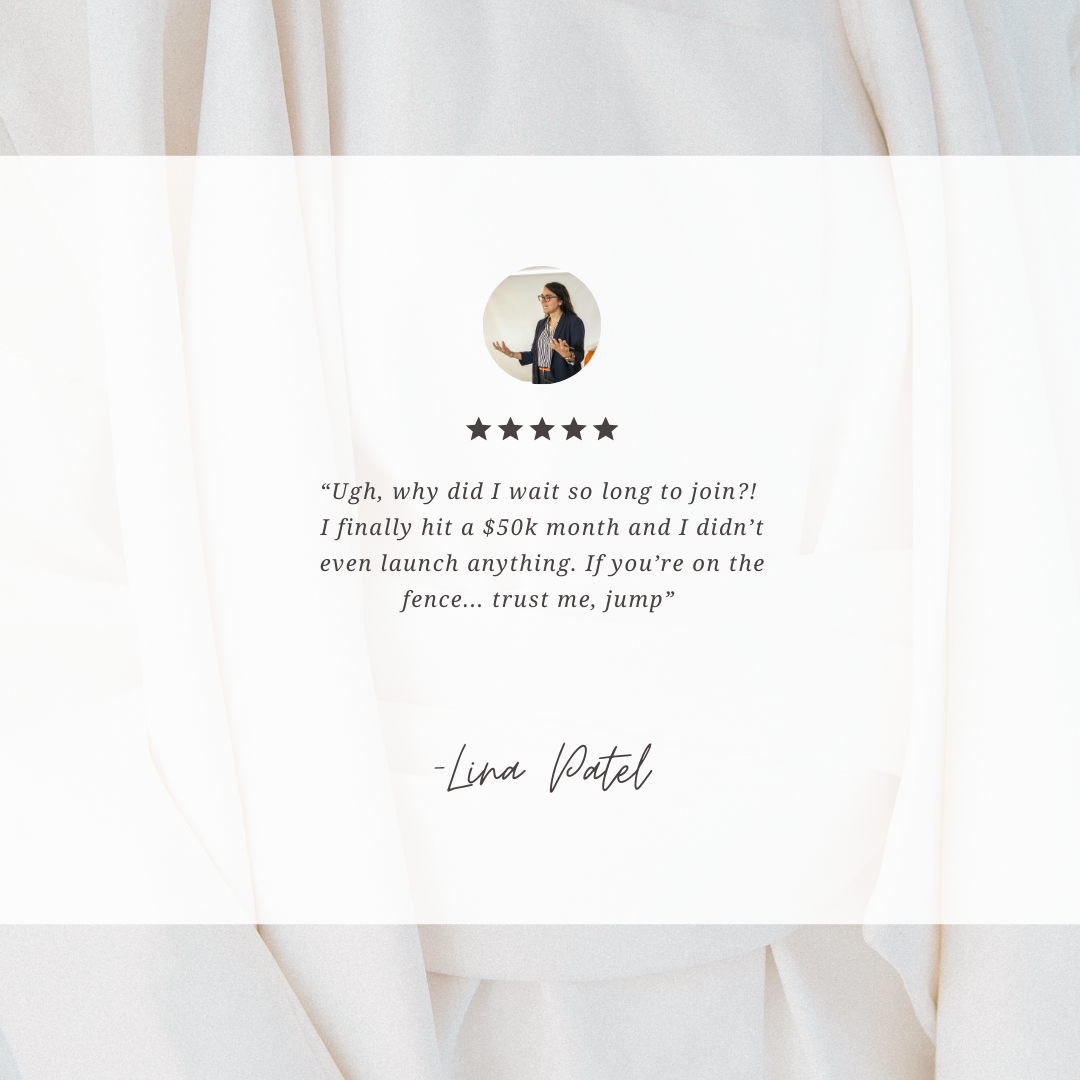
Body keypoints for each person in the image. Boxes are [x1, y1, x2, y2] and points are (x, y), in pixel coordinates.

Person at [493, 282, 586, 384]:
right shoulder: (541, 324)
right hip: (540, 379)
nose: (542, 301)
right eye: (542, 297)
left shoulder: (574, 322)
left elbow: (580, 355)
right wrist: (511, 354)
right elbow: (534, 355)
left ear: (560, 300)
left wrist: (568, 355)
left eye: (548, 297)